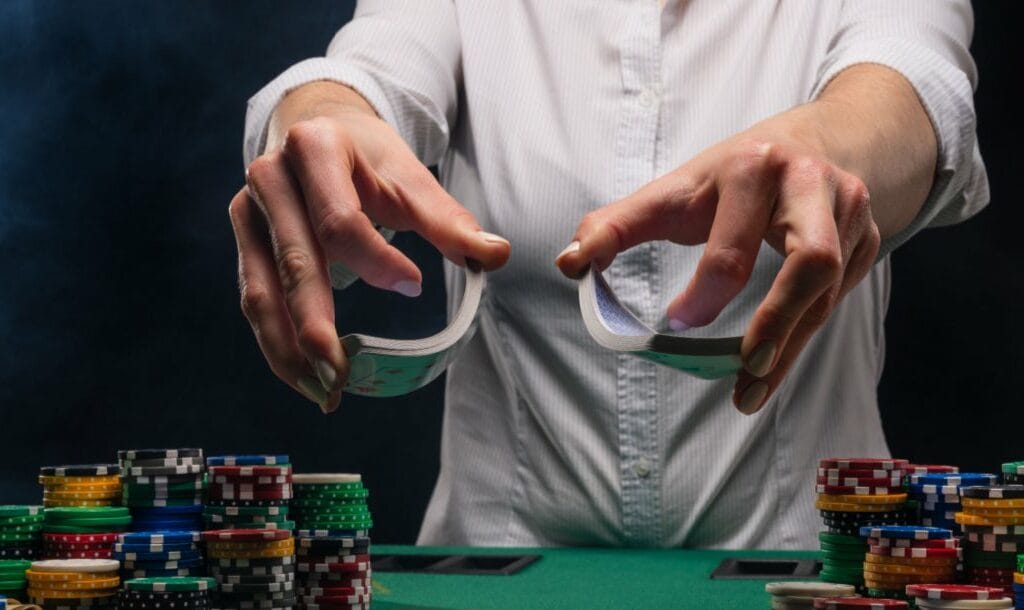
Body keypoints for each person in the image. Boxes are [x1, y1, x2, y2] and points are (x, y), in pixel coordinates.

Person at [230, 1, 988, 549]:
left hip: (809, 574)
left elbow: (920, 90)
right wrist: (319, 118)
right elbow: (363, 70)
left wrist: (826, 146)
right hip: (496, 580)